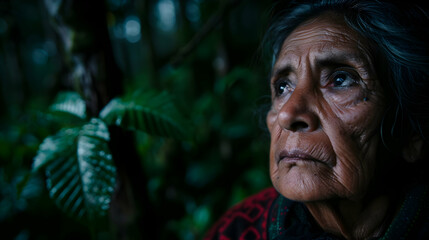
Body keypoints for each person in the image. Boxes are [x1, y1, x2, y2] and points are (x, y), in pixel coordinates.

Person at [204, 0, 429, 239]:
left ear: (412, 132)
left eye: (341, 80)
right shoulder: (237, 229)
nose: (288, 114)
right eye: (283, 87)